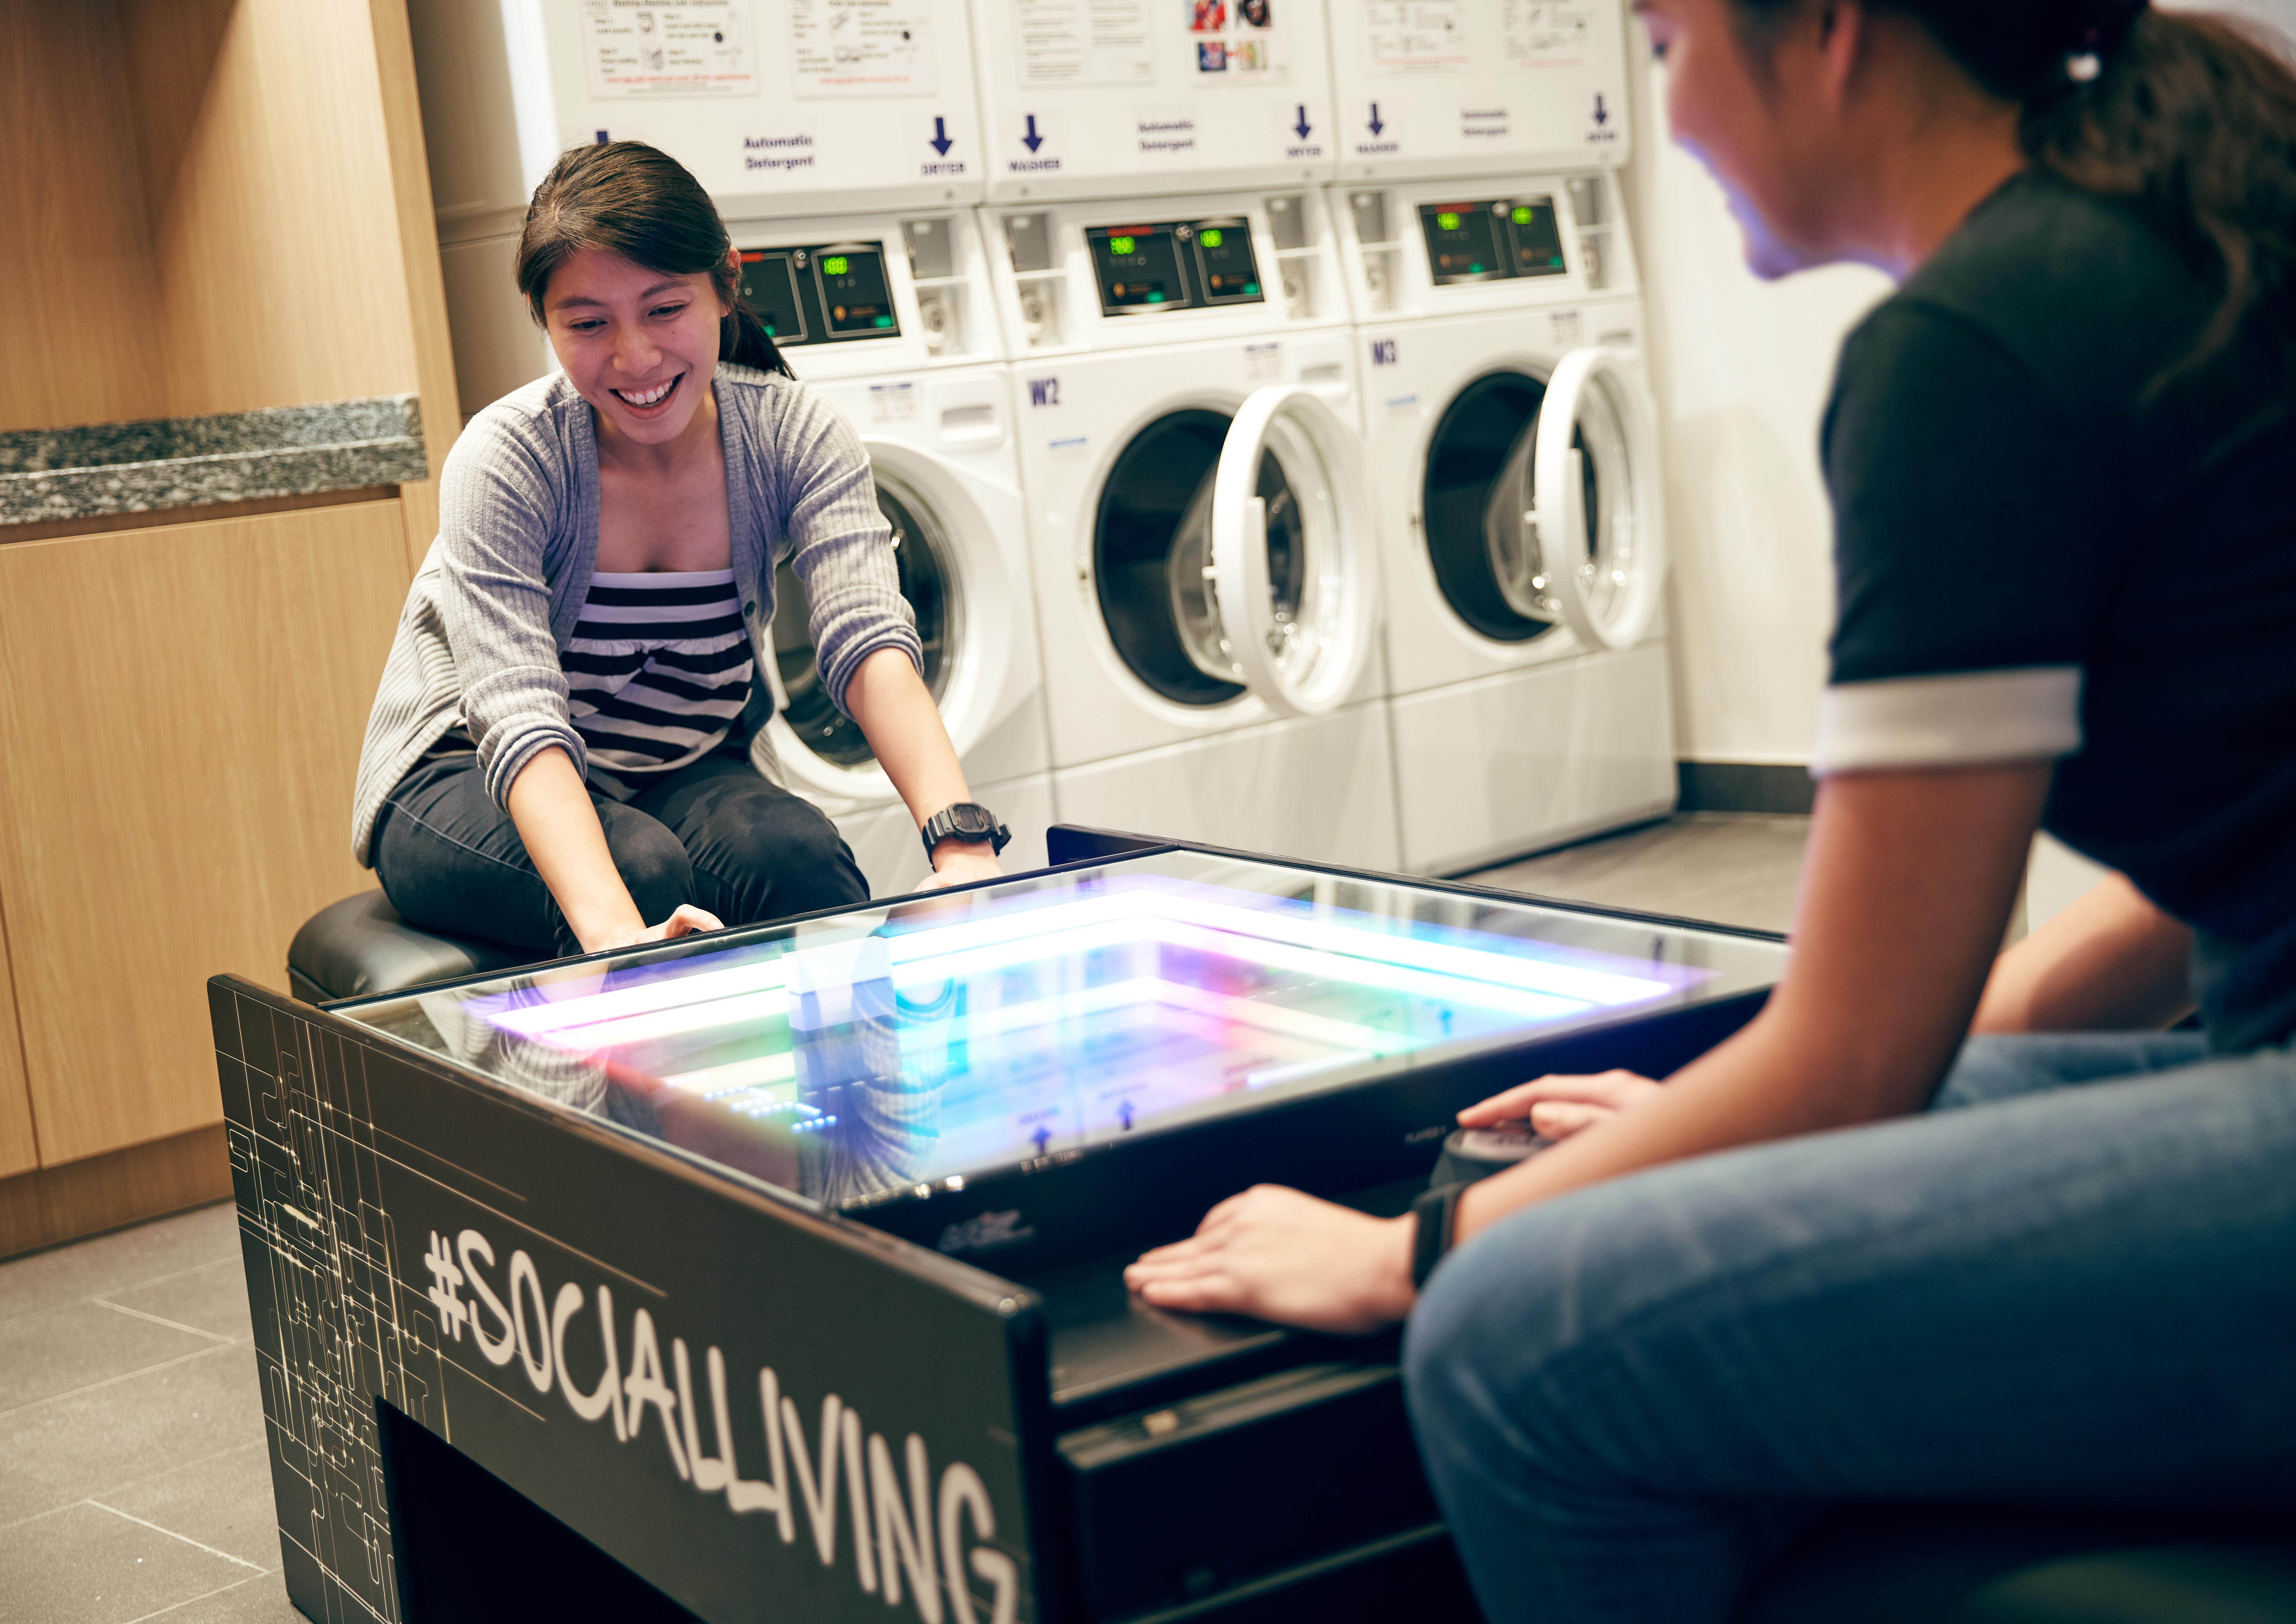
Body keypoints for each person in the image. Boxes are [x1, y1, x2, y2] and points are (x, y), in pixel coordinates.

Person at [1122, 2, 2296, 1618]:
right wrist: (1707, 1143)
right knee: (1711, 1142)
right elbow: (2198, 879)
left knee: (1509, 1335)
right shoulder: (2176, 229)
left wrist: (1415, 1254)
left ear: (1823, 32)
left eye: (1671, 50)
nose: (1664, 120)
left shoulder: (1976, 343)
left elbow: (1856, 1054)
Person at [353, 142, 1011, 960]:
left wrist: (960, 848)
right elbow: (519, 718)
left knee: (798, 858)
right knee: (639, 869)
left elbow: (869, 641)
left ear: (725, 285)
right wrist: (615, 938)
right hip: (461, 774)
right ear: (546, 323)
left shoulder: (793, 435)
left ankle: (860, 1086)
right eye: (588, 324)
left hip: (675, 762)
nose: (635, 358)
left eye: (664, 309)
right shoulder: (509, 459)